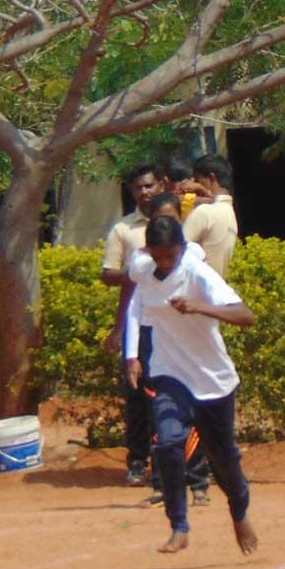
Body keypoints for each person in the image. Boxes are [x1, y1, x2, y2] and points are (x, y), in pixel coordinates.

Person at [122, 215, 259, 557]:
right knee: (167, 443)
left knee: (223, 459)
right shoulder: (144, 272)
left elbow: (246, 315)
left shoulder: (198, 273)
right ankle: (179, 525)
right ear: (148, 251)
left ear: (182, 249)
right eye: (158, 256)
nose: (165, 263)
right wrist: (132, 355)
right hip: (169, 374)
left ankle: (239, 510)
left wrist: (200, 307)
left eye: (171, 256)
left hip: (212, 379)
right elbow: (135, 309)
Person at [102, 161, 168, 487]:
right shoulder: (123, 230)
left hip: (172, 323)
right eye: (139, 188)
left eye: (149, 186)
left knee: (172, 391)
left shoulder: (178, 222)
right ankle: (139, 461)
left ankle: (176, 459)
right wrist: (135, 272)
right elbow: (107, 274)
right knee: (138, 393)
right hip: (138, 322)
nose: (144, 192)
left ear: (162, 185)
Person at [183, 155, 240, 278]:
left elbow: (174, 253)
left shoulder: (205, 212)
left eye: (197, 180)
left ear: (211, 179)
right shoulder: (229, 212)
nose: (193, 186)